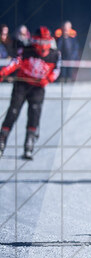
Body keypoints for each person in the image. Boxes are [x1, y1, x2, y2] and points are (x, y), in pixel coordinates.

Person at [0, 27, 61, 159]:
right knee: (13, 112)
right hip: (21, 85)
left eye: (45, 43)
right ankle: (2, 140)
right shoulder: (27, 51)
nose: (43, 47)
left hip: (38, 88)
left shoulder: (54, 54)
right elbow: (15, 62)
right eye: (40, 44)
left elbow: (57, 70)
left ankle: (29, 143)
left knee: (34, 114)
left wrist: (49, 79)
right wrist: (3, 72)